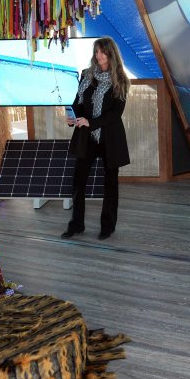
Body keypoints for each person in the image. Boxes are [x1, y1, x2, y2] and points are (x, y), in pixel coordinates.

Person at [62, 37, 130, 240]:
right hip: (87, 136)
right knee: (78, 181)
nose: (98, 55)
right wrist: (72, 117)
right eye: (96, 52)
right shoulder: (86, 74)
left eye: (102, 52)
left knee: (110, 184)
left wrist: (91, 122)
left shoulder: (121, 80)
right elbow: (78, 102)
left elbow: (115, 114)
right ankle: (76, 225)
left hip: (110, 137)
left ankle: (107, 227)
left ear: (111, 53)